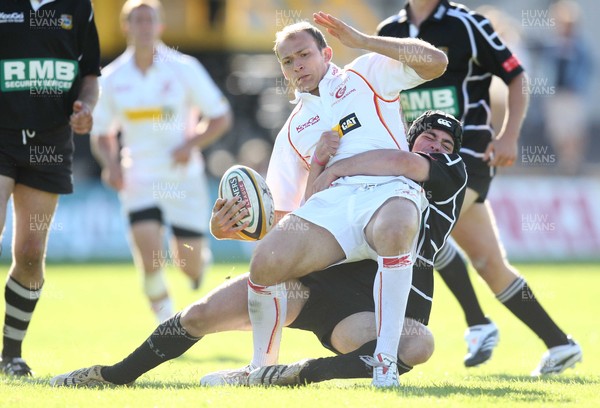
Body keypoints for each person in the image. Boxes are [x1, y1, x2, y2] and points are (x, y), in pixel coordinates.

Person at [49, 110, 465, 388]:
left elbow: (407, 165)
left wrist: (335, 165)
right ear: (407, 139)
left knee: (417, 343)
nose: (437, 146)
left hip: (370, 313)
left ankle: (286, 375)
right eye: (429, 137)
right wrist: (231, 228)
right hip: (312, 286)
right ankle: (112, 376)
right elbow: (301, 219)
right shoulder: (363, 169)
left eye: (446, 144)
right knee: (200, 315)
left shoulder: (446, 174)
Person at [205, 13, 448, 388]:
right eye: (288, 61)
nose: (297, 65)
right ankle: (260, 369)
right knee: (266, 261)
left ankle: (384, 361)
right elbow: (283, 215)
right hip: (333, 207)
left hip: (388, 191)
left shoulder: (366, 73)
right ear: (283, 71)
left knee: (396, 226)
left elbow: (436, 63)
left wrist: (365, 40)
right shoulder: (291, 133)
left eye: (304, 55)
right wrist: (230, 230)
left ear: (327, 53)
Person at [377, 0, 582, 375]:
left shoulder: (467, 24)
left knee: (419, 227)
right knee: (489, 263)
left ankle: (474, 323)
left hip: (467, 157)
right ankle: (560, 344)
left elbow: (516, 76)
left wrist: (508, 137)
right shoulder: (389, 30)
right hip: (417, 162)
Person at [91, 0, 232, 323]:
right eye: (136, 19)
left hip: (182, 177)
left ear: (160, 26)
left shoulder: (184, 68)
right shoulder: (112, 78)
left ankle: (196, 267)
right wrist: (111, 165)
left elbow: (220, 117)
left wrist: (190, 144)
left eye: (149, 19)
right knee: (148, 254)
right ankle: (166, 323)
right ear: (126, 26)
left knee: (188, 262)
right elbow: (102, 133)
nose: (143, 25)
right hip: (138, 177)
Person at [0, 0, 101, 376]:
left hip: (50, 143)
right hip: (2, 135)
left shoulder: (78, 6)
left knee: (29, 253)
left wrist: (86, 108)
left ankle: (10, 355)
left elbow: (90, 75)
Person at [540, 0, 593, 175]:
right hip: (556, 94)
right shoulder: (552, 45)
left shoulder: (580, 46)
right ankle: (566, 160)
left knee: (574, 129)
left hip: (573, 93)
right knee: (558, 129)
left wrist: (578, 85)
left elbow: (587, 68)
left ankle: (573, 163)